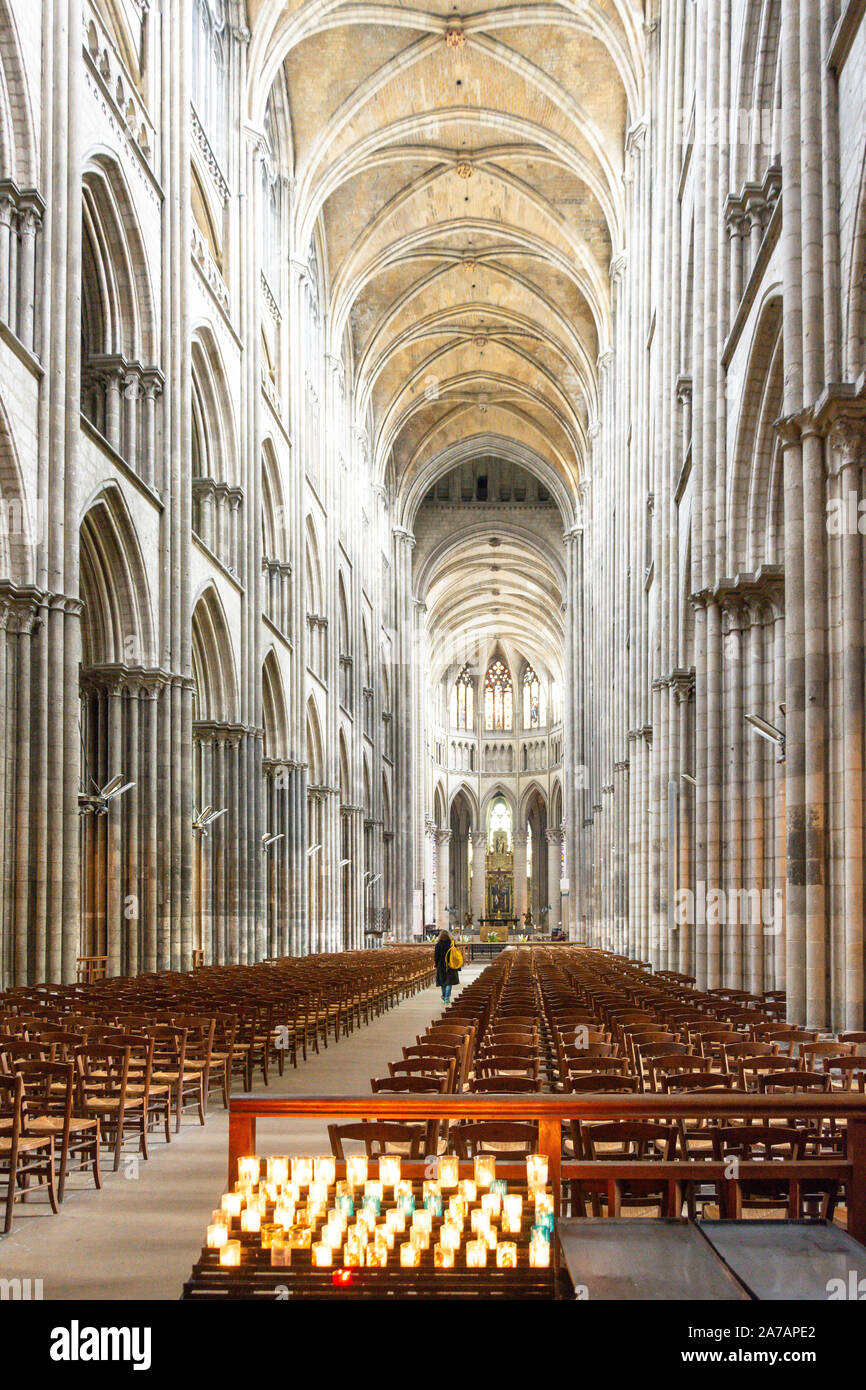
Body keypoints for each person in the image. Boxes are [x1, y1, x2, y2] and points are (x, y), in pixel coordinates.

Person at [434, 929, 461, 1004]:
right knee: (449, 982)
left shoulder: (438, 945)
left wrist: (436, 964)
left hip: (441, 965)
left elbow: (436, 956)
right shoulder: (452, 944)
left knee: (443, 982)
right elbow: (456, 955)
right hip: (451, 965)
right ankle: (447, 997)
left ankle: (444, 995)